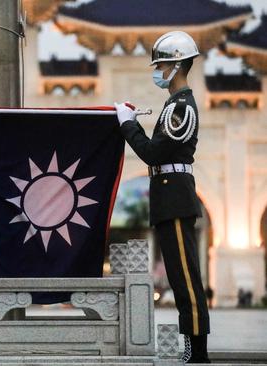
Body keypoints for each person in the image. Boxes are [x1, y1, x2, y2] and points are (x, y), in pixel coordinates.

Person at [114, 31, 210, 363]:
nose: (158, 70)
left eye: (163, 64)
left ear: (178, 65)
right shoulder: (173, 106)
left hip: (175, 197)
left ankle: (198, 352)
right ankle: (193, 346)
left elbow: (153, 154)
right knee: (180, 277)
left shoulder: (181, 107)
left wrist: (128, 126)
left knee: (186, 279)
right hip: (167, 196)